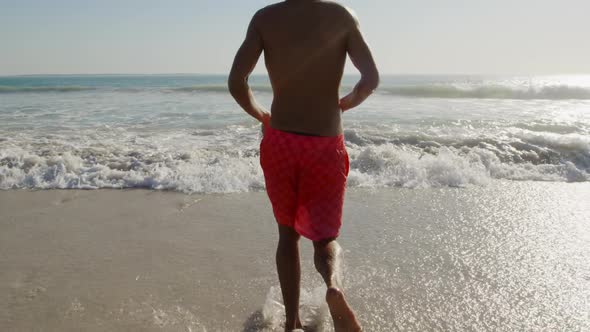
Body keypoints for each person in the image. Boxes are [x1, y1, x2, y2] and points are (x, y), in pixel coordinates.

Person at [228, 1, 378, 331]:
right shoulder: (342, 16)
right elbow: (370, 78)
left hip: (282, 142)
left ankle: (291, 322)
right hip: (324, 143)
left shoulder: (265, 18)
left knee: (287, 236)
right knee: (325, 238)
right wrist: (346, 103)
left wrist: (261, 114)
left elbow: (237, 81)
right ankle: (333, 285)